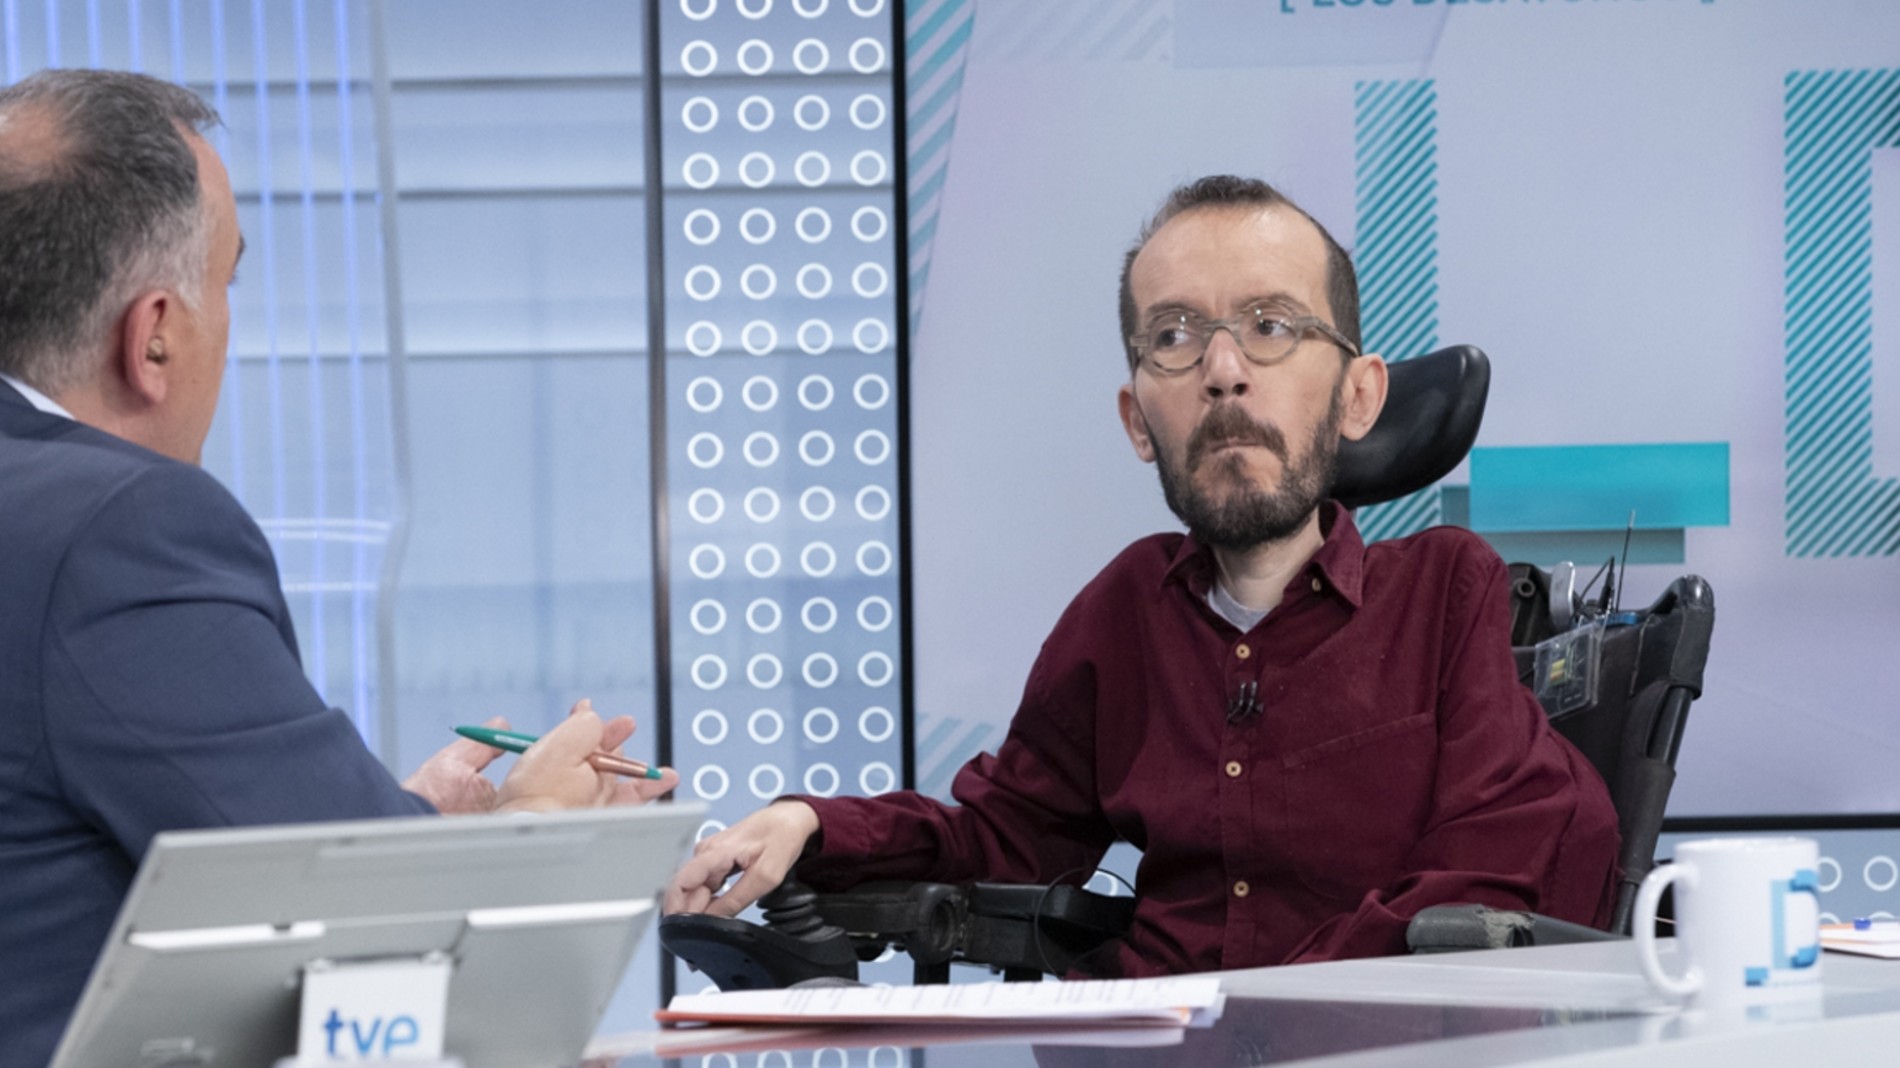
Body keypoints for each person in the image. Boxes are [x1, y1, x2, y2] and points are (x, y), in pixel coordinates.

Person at [665, 175, 1620, 977]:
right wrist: (811, 824)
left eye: (1271, 325)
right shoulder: (1126, 613)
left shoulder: (1446, 593)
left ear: (1359, 395)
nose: (1223, 370)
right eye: (1174, 337)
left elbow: (1494, 866)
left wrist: (1265, 1017)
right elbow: (1006, 836)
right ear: (1137, 420)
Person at [0, 69, 677, 1065]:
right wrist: (538, 821)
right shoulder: (118, 530)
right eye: (226, 282)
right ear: (153, 338)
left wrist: (398, 823)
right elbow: (373, 938)